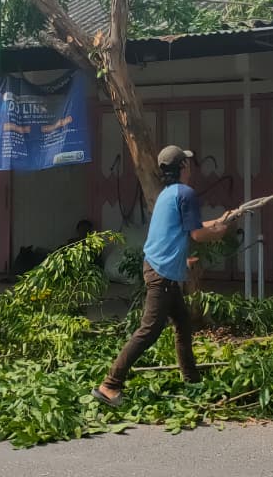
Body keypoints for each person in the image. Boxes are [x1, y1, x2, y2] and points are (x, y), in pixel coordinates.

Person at [92, 145, 234, 407]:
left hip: (159, 268)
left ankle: (192, 380)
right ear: (182, 167)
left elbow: (188, 228)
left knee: (182, 322)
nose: (190, 168)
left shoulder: (168, 195)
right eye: (188, 164)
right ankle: (109, 384)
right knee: (149, 330)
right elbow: (197, 235)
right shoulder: (187, 194)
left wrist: (216, 222)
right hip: (162, 274)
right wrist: (218, 232)